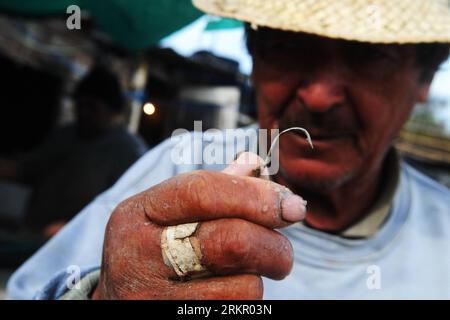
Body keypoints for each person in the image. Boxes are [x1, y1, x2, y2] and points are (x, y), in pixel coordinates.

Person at [7, 0, 450, 299]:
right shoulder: (178, 170)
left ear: (423, 79)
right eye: (286, 46)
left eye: (371, 55)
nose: (318, 96)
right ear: (255, 58)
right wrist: (104, 291)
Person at [0, 66, 147, 238]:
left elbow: (127, 209)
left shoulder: (128, 150)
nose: (84, 112)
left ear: (112, 110)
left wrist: (74, 228)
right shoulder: (64, 136)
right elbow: (27, 170)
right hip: (33, 236)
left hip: (80, 249)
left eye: (92, 107)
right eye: (80, 104)